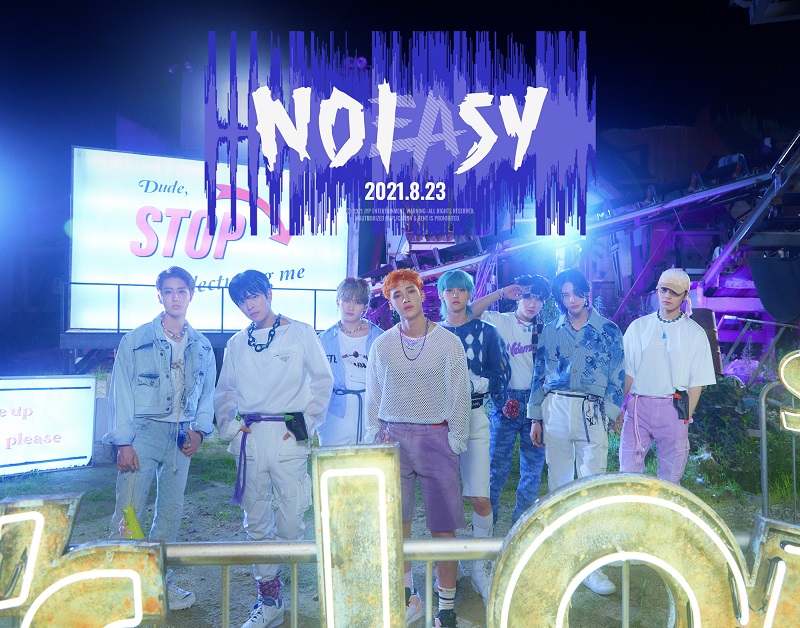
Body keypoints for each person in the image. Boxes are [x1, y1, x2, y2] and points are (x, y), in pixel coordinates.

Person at [214, 270, 333, 628]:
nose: (249, 305)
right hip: (252, 436)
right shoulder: (237, 342)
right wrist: (232, 428)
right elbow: (225, 391)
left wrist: (301, 428)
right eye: (241, 300)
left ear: (268, 292)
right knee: (255, 518)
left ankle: (285, 576)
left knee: (293, 517)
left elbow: (323, 381)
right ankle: (269, 597)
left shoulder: (300, 332)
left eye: (254, 296)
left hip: (287, 431)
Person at [103, 266, 216, 611]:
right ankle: (121, 587)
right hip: (143, 433)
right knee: (129, 510)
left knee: (170, 512)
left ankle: (158, 583)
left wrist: (199, 432)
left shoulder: (202, 345)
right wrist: (123, 442)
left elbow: (207, 394)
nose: (175, 297)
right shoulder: (135, 340)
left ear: (191, 295)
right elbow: (120, 392)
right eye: (168, 291)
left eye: (182, 291)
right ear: (159, 296)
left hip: (181, 437)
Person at [365, 269, 470, 628]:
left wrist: (455, 441)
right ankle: (407, 597)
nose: (405, 299)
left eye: (410, 291)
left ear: (423, 295)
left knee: (443, 526)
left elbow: (460, 395)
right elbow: (373, 397)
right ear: (390, 303)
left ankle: (446, 608)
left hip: (436, 438)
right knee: (398, 523)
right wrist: (375, 438)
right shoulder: (382, 345)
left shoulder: (448, 343)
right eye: (397, 295)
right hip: (393, 439)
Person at [528, 268, 625, 596]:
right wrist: (535, 416)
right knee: (559, 485)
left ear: (587, 292)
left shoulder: (608, 330)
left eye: (576, 293)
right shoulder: (551, 330)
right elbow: (539, 372)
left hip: (591, 408)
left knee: (592, 485)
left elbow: (618, 372)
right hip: (555, 405)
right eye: (565, 295)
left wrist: (611, 412)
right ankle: (564, 558)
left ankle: (592, 564)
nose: (572, 300)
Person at [437, 269, 509, 604]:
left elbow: (501, 374)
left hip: (475, 416)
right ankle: (445, 570)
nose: (455, 296)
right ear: (442, 295)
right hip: (436, 422)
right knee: (442, 501)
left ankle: (480, 565)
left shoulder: (486, 332)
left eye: (461, 290)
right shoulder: (432, 333)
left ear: (469, 295)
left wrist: (475, 383)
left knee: (480, 497)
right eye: (449, 290)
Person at [619, 269, 716, 483]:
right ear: (657, 290)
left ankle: (667, 504)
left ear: (685, 295)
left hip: (675, 404)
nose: (667, 296)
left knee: (671, 476)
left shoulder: (695, 333)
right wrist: (619, 405)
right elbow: (627, 372)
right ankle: (632, 504)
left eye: (674, 292)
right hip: (638, 404)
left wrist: (686, 415)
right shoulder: (639, 327)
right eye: (663, 290)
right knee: (628, 472)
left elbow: (697, 381)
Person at [470, 274, 550, 525]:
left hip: (537, 404)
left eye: (538, 299)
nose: (532, 304)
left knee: (532, 471)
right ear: (518, 297)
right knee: (496, 468)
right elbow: (469, 312)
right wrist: (500, 292)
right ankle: (486, 524)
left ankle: (521, 526)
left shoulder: (547, 330)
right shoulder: (500, 321)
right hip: (505, 401)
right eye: (527, 297)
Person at [318, 277, 383, 446]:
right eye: (346, 300)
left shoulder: (380, 337)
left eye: (357, 302)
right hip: (334, 416)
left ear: (365, 306)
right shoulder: (324, 339)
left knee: (371, 460)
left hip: (372, 414)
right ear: (337, 301)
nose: (350, 307)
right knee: (333, 460)